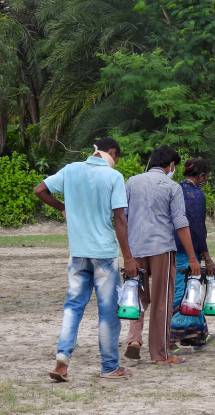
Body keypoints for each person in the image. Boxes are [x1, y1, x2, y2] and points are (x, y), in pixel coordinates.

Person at [34, 137, 133, 381]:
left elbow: (40, 189)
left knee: (73, 307)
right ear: (111, 152)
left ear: (93, 151)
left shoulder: (71, 170)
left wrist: (61, 207)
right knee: (108, 311)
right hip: (104, 255)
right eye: (116, 156)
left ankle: (62, 360)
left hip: (78, 252)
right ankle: (110, 367)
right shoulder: (114, 177)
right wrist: (129, 258)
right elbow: (119, 219)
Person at [124, 145, 201, 365]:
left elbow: (123, 216)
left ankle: (134, 340)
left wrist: (126, 252)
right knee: (161, 302)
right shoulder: (172, 186)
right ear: (171, 165)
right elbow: (180, 223)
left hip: (136, 247)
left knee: (137, 296)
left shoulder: (132, 182)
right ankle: (160, 354)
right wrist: (192, 257)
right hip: (161, 249)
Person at [170, 159, 215, 351]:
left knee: (180, 290)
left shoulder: (174, 190)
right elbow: (198, 229)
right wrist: (205, 256)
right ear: (202, 176)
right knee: (188, 292)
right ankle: (172, 335)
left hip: (170, 247)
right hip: (188, 250)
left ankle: (194, 335)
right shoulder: (197, 195)